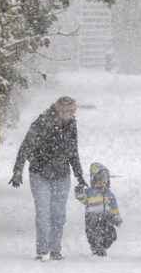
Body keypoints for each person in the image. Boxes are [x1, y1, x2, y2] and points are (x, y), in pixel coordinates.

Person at [9, 96, 87, 261]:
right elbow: (26, 146)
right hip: (40, 173)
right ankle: (42, 250)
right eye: (66, 111)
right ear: (58, 110)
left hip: (62, 174)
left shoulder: (72, 125)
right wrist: (17, 170)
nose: (69, 114)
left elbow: (73, 151)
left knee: (59, 214)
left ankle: (55, 250)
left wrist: (79, 175)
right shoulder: (42, 122)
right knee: (44, 213)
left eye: (72, 111)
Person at [75, 162, 122, 256]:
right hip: (92, 219)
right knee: (94, 235)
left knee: (111, 235)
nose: (102, 183)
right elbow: (82, 199)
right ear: (93, 180)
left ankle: (102, 246)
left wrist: (116, 217)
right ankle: (97, 248)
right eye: (99, 180)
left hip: (106, 219)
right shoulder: (89, 192)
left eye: (105, 180)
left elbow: (114, 207)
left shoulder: (109, 194)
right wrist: (79, 192)